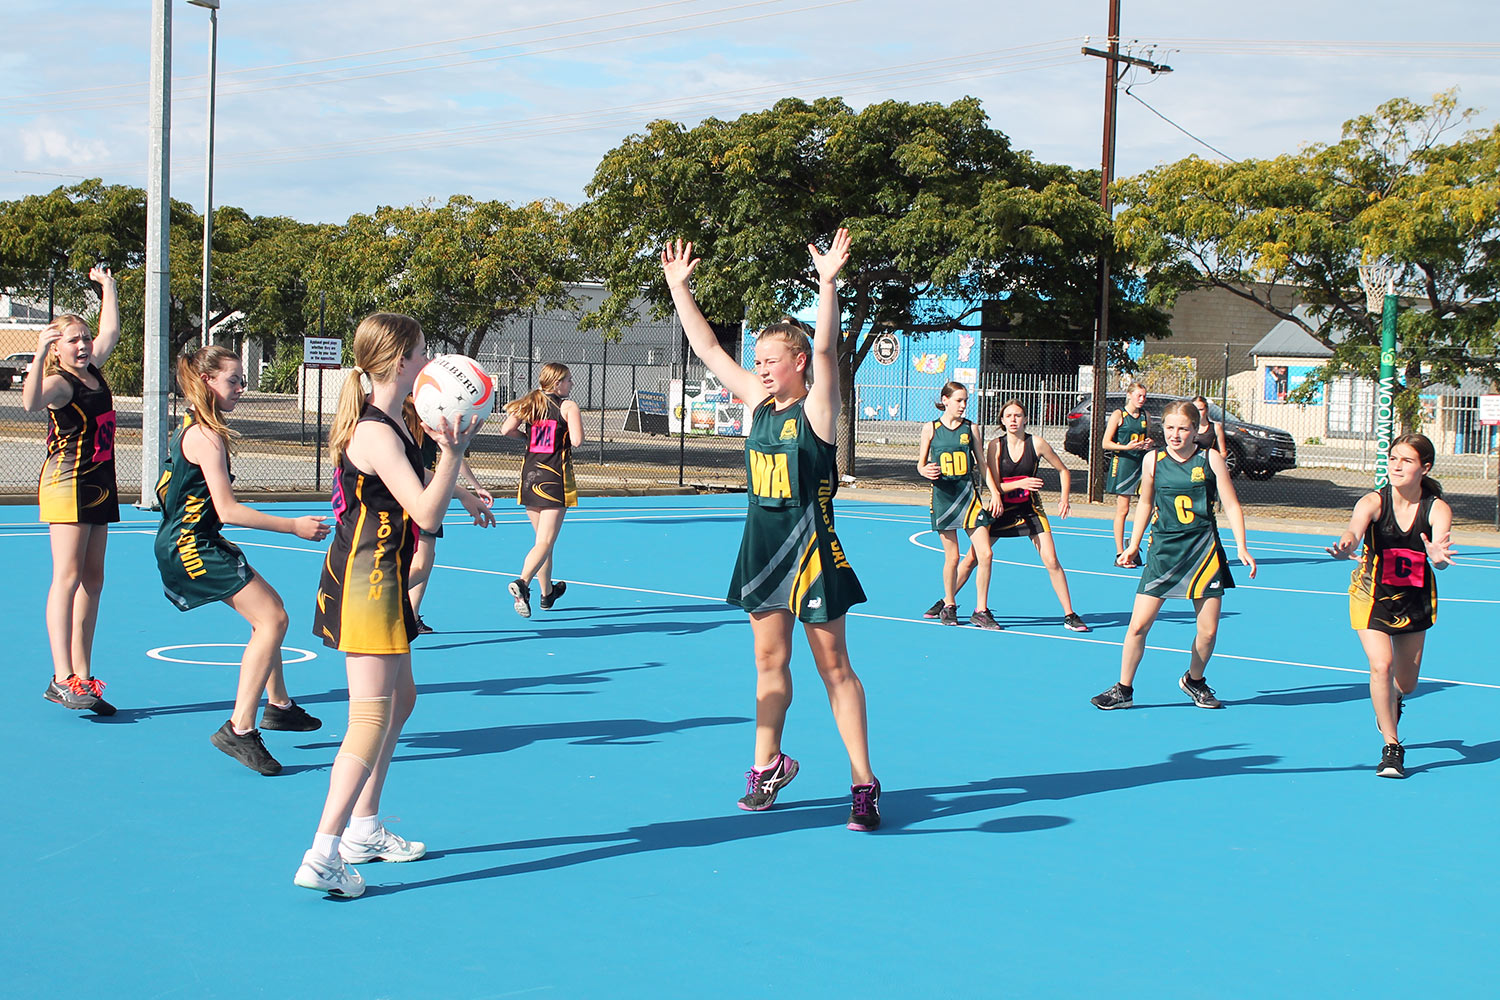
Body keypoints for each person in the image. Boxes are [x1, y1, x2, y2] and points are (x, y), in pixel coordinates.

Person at [662, 230, 881, 831]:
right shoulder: (757, 405)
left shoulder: (816, 408)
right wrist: (680, 287)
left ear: (798, 362)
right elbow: (707, 349)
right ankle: (768, 765)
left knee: (833, 666)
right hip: (761, 550)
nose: (758, 369)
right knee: (768, 662)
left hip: (811, 550)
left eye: (769, 361)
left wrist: (828, 284)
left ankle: (863, 782)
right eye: (755, 361)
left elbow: (831, 350)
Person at [295, 313, 482, 898]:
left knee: (401, 700)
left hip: (380, 577)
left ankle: (364, 829)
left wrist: (463, 484)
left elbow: (416, 487)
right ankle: (323, 851)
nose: (430, 359)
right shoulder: (375, 431)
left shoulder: (396, 421)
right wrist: (455, 452)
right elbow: (424, 516)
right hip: (367, 582)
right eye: (423, 349)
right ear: (400, 359)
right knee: (370, 718)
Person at [155, 345, 331, 775]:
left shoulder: (193, 428)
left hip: (195, 539)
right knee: (272, 620)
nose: (241, 387)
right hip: (191, 546)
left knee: (270, 613)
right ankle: (241, 727)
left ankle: (280, 706)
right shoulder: (205, 435)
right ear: (207, 381)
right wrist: (293, 526)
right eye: (234, 379)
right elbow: (229, 509)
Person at [1091, 400, 1256, 711]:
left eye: (1183, 428)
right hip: (1163, 552)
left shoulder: (1211, 460)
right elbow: (1145, 503)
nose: (1175, 434)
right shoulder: (1153, 460)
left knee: (1207, 631)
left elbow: (1232, 505)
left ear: (1196, 430)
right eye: (1169, 428)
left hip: (1203, 552)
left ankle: (1195, 680)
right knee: (1138, 625)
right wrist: (1132, 544)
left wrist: (1242, 546)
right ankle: (1123, 689)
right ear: (1162, 429)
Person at [1325, 433, 1455, 779]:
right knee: (1380, 665)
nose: (1396, 466)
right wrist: (1345, 544)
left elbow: (1440, 556)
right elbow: (1354, 529)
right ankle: (1392, 747)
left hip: (1414, 598)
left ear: (1424, 468)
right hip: (1370, 595)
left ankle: (1394, 699)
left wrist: (1437, 557)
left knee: (1407, 683)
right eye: (1393, 458)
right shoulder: (1373, 501)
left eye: (1406, 461)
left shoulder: (1436, 508)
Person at [23, 266, 121, 716]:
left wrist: (109, 288)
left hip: (99, 481)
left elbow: (111, 331)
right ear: (57, 348)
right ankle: (61, 676)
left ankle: (83, 674)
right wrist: (39, 356)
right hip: (67, 483)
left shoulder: (93, 369)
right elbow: (29, 402)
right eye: (72, 341)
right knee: (66, 577)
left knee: (93, 578)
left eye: (84, 338)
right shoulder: (60, 383)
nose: (83, 345)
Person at [952, 398, 1090, 632]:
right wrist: (1022, 481)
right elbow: (994, 485)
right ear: (1002, 421)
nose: (1013, 420)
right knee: (972, 559)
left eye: (1017, 415)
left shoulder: (1036, 444)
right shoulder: (996, 445)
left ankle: (1070, 614)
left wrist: (1064, 498)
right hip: (1000, 508)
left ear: (1025, 419)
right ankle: (946, 601)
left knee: (1052, 560)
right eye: (1009, 416)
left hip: (1030, 510)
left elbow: (1063, 470)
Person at [402, 399, 495, 635]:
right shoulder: (410, 422)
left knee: (425, 560)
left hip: (428, 494)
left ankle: (411, 615)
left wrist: (473, 487)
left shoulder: (429, 419)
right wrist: (464, 492)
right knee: (420, 564)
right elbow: (418, 471)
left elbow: (452, 456)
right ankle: (385, 600)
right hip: (421, 497)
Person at [498, 363, 583, 617]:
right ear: (557, 383)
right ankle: (523, 583)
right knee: (545, 541)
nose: (571, 384)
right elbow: (577, 441)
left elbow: (506, 430)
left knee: (543, 542)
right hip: (554, 478)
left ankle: (547, 594)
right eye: (568, 380)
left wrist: (528, 438)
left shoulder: (530, 403)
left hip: (530, 477)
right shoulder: (567, 407)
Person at [915, 381, 999, 628]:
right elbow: (920, 464)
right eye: (959, 400)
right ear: (946, 400)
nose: (963, 405)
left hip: (969, 497)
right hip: (943, 498)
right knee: (952, 557)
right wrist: (924, 470)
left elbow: (982, 463)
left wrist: (994, 493)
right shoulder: (930, 428)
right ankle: (949, 605)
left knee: (985, 553)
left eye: (965, 401)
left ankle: (981, 610)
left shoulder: (971, 428)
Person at [1102, 382, 1153, 562]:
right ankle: (1119, 552)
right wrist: (1125, 447)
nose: (1142, 399)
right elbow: (1105, 443)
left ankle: (1133, 541)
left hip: (1141, 464)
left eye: (1144, 396)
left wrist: (1147, 444)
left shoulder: (1145, 415)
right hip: (1123, 464)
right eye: (1139, 395)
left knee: (1150, 506)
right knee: (1123, 509)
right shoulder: (1119, 415)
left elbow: (1147, 437)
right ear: (1129, 395)